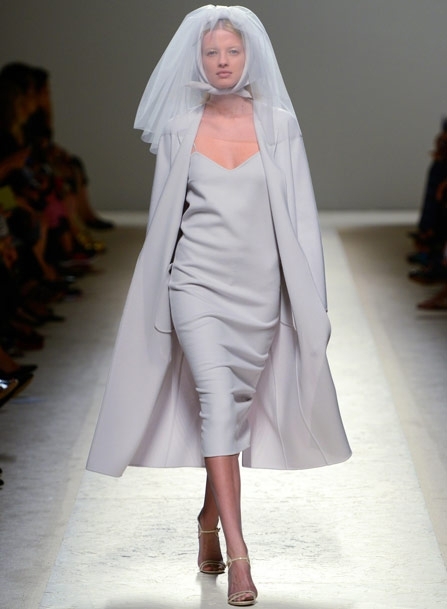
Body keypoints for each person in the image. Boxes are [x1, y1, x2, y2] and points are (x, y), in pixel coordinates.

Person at [87, 6, 351, 606]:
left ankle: (207, 519)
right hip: (195, 285)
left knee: (230, 415)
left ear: (250, 56)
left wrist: (311, 302)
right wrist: (154, 300)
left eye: (232, 51)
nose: (223, 62)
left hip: (258, 293)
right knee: (215, 400)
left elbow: (301, 219)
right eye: (212, 53)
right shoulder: (179, 129)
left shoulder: (280, 126)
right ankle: (239, 555)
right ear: (197, 61)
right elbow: (163, 221)